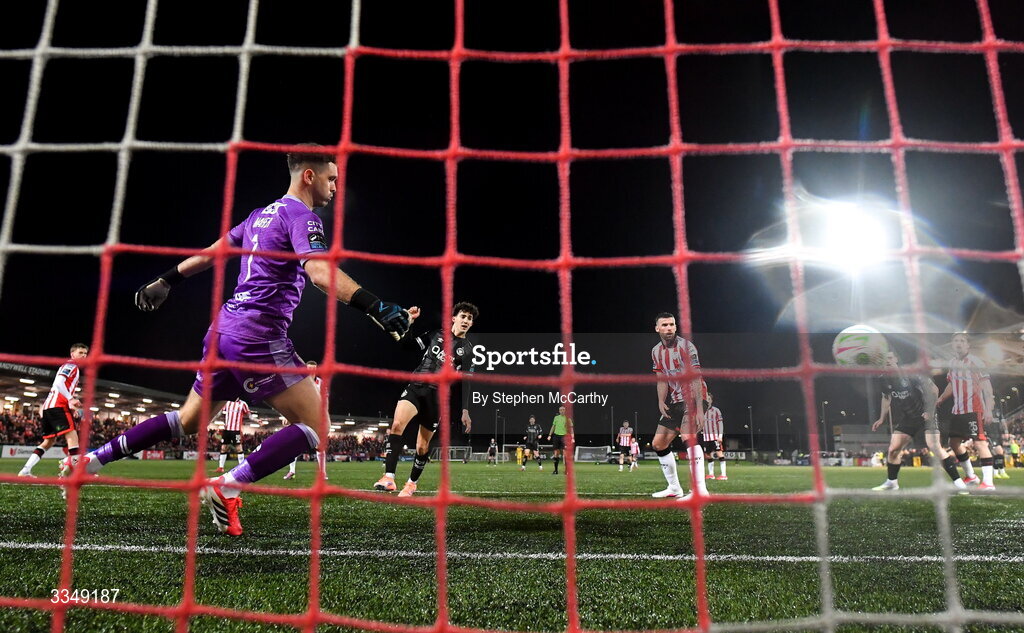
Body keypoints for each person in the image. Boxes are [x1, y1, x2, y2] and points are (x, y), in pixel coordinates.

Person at [71, 147, 414, 536]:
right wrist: (375, 305)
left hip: (223, 330)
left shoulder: (258, 215)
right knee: (317, 425)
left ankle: (91, 461)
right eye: (331, 178)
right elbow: (319, 272)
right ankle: (227, 486)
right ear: (308, 176)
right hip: (258, 335)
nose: (336, 186)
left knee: (187, 420)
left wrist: (167, 279)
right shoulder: (303, 216)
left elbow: (215, 252)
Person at [374, 302, 478, 497]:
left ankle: (411, 483)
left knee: (422, 446)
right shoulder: (435, 334)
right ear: (453, 318)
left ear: (471, 325)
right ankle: (388, 477)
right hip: (416, 387)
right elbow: (407, 345)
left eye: (470, 319)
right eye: (463, 316)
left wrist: (465, 410)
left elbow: (467, 383)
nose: (466, 321)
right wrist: (410, 323)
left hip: (436, 397)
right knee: (397, 425)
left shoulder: (468, 351)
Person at [870, 351, 967, 492]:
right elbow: (886, 398)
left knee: (934, 447)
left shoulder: (911, 374)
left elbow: (934, 389)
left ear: (896, 359)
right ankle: (892, 483)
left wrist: (930, 410)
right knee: (893, 449)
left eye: (890, 358)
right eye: (885, 359)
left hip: (926, 414)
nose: (888, 361)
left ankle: (959, 484)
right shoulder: (883, 379)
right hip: (908, 418)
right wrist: (881, 418)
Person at [649, 312, 707, 500]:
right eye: (664, 325)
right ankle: (674, 488)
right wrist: (660, 400)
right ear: (657, 328)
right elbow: (662, 379)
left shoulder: (686, 347)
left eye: (672, 325)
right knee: (658, 443)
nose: (669, 328)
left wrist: (699, 407)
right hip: (675, 400)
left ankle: (700, 492)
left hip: (694, 397)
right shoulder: (656, 351)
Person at [936, 333, 996, 490]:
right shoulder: (952, 363)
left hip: (974, 409)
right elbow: (951, 383)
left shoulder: (975, 362)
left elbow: (986, 386)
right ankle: (971, 476)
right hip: (958, 410)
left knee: (979, 442)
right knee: (954, 443)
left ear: (968, 345)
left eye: (962, 341)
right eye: (956, 340)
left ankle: (988, 483)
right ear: (952, 344)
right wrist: (941, 398)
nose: (959, 343)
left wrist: (988, 409)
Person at [20, 343, 89, 478]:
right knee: (72, 437)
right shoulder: (71, 366)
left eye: (85, 354)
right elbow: (58, 383)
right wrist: (70, 399)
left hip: (49, 407)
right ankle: (75, 472)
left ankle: (25, 470)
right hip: (58, 406)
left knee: (48, 442)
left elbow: (60, 387)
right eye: (80, 352)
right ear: (72, 354)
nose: (84, 356)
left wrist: (71, 405)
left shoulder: (70, 367)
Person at [284, 360, 329, 480]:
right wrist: (286, 415)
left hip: (316, 417)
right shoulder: (299, 381)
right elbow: (292, 399)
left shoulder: (321, 383)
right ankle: (292, 471)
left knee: (320, 446)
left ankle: (322, 473)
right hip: (300, 416)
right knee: (292, 444)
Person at [216, 398, 249, 473]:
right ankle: (221, 467)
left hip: (236, 430)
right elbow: (219, 413)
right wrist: (210, 419)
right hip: (227, 430)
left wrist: (257, 421)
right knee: (223, 448)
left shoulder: (243, 404)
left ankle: (242, 468)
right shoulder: (227, 402)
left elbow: (249, 416)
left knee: (239, 448)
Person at [703, 393, 727, 481]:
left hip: (715, 437)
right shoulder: (702, 411)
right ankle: (711, 474)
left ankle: (724, 475)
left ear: (711, 400)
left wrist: (720, 436)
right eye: (706, 399)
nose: (707, 400)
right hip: (706, 437)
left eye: (709, 399)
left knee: (719, 453)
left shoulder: (716, 411)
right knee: (708, 455)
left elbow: (720, 424)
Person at [547, 405, 573, 475]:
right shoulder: (556, 418)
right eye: (561, 410)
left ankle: (566, 470)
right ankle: (555, 470)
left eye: (563, 410)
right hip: (556, 436)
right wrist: (549, 435)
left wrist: (572, 437)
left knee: (565, 454)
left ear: (565, 411)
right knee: (556, 454)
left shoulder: (568, 419)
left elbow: (571, 429)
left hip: (564, 437)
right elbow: (553, 426)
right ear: (559, 411)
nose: (562, 411)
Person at [986, 409, 1011, 479]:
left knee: (998, 454)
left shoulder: (998, 411)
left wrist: (1006, 432)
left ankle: (996, 473)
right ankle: (1001, 472)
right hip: (990, 435)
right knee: (999, 452)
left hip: (998, 435)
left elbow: (1003, 422)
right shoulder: (985, 411)